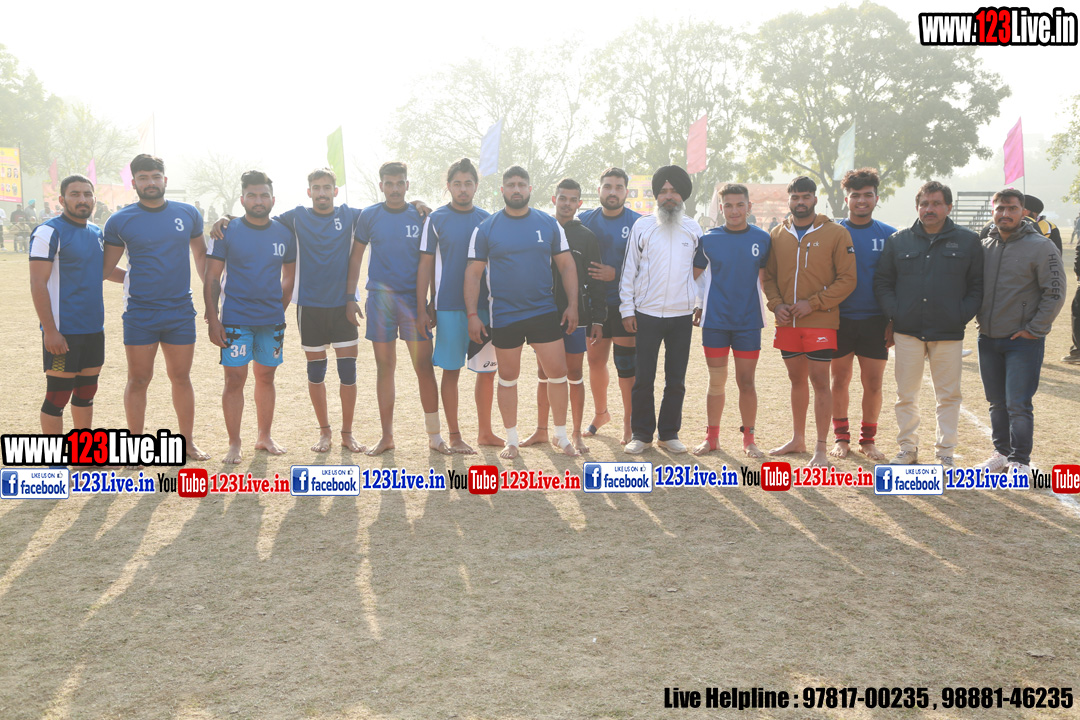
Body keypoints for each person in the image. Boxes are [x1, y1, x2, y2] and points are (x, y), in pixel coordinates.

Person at [214, 168, 368, 453]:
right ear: (309, 192)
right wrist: (227, 217)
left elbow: (383, 211)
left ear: (335, 191)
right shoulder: (295, 217)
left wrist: (418, 203)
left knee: (348, 372)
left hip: (342, 306)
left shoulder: (351, 215)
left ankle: (347, 433)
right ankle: (324, 433)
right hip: (309, 307)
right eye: (316, 188)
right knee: (316, 373)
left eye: (327, 188)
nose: (322, 193)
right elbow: (258, 216)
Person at [465, 165, 580, 459]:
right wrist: (472, 315)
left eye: (521, 184)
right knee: (507, 377)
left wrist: (573, 305)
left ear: (529, 189)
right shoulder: (486, 228)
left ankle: (561, 436)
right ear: (502, 190)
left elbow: (567, 265)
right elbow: (473, 274)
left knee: (558, 373)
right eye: (511, 184)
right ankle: (512, 440)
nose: (516, 189)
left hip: (543, 312)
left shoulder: (549, 224)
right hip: (505, 315)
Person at [102, 154, 211, 462]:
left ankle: (187, 443)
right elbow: (104, 269)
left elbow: (201, 257)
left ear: (165, 179)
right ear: (134, 182)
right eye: (143, 178)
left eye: (155, 176)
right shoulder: (120, 220)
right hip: (140, 313)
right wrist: (132, 279)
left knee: (181, 377)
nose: (150, 182)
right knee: (138, 380)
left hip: (180, 312)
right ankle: (135, 448)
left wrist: (211, 297)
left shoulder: (188, 213)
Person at [874, 180, 983, 466]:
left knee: (948, 396)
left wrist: (960, 314)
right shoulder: (898, 240)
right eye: (924, 204)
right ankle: (907, 448)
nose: (929, 209)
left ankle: (945, 453)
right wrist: (896, 313)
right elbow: (884, 281)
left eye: (936, 203)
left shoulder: (968, 241)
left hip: (948, 331)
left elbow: (977, 285)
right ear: (917, 207)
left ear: (949, 207)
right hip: (907, 331)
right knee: (905, 395)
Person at [347, 161, 449, 456]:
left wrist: (431, 301)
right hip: (380, 300)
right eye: (389, 183)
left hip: (413, 302)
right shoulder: (369, 216)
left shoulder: (421, 215)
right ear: (381, 185)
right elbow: (356, 258)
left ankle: (435, 436)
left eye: (399, 183)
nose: (394, 188)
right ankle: (387, 436)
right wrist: (349, 296)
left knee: (423, 366)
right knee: (384, 367)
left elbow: (431, 261)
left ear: (407, 184)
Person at [763, 176, 856, 467]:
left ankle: (821, 448)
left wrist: (813, 303)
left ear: (815, 199)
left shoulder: (836, 233)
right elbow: (768, 277)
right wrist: (776, 305)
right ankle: (797, 439)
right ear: (789, 200)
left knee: (820, 382)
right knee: (796, 380)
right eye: (795, 197)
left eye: (806, 197)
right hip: (787, 324)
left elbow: (848, 279)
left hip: (820, 322)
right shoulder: (777, 233)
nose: (800, 202)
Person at [204, 171, 296, 463]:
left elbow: (289, 277)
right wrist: (213, 319)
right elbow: (212, 277)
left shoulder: (284, 233)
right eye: (252, 195)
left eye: (264, 195)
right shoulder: (226, 231)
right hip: (235, 319)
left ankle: (264, 436)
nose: (259, 201)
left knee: (266, 377)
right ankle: (234, 443)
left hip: (271, 321)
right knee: (234, 380)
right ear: (242, 199)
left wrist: (279, 309)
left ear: (273, 199)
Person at [974, 188, 1065, 475]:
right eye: (1000, 208)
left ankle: (1020, 461)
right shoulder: (983, 245)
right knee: (996, 402)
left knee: (1018, 404)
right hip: (988, 337)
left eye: (1012, 208)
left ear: (1023, 211)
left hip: (1023, 340)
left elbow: (1055, 291)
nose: (1005, 213)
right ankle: (1001, 453)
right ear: (993, 210)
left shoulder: (1041, 246)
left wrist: (1035, 329)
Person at [417, 158, 502, 453]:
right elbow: (425, 265)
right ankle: (454, 436)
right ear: (448, 186)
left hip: (484, 308)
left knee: (487, 372)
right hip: (449, 308)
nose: (463, 189)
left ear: (476, 186)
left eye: (468, 183)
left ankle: (485, 432)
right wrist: (423, 306)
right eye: (457, 184)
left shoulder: (488, 219)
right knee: (451, 371)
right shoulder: (436, 219)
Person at [28, 175, 124, 433]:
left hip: (93, 328)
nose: (82, 199)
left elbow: (101, 270)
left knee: (86, 393)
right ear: (62, 200)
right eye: (75, 194)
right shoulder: (49, 232)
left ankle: (84, 451)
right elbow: (37, 283)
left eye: (87, 194)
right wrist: (50, 331)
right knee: (57, 397)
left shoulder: (96, 232)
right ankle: (53, 456)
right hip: (63, 331)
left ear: (94, 199)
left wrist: (135, 278)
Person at [620, 165, 702, 454]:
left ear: (683, 195)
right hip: (647, 313)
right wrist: (627, 310)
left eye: (674, 191)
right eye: (664, 191)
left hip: (682, 315)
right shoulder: (643, 227)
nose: (669, 196)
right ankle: (641, 435)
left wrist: (699, 304)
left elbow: (701, 271)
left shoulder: (694, 229)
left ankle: (669, 433)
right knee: (643, 378)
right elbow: (629, 270)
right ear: (656, 195)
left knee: (676, 379)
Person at [522, 178, 605, 454]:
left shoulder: (586, 237)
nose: (567, 204)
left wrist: (597, 318)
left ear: (579, 203)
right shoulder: (540, 229)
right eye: (562, 198)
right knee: (543, 373)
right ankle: (541, 431)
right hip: (544, 313)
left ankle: (576, 434)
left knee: (574, 373)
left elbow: (595, 280)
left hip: (576, 316)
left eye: (572, 199)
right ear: (553, 199)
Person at [690, 183, 770, 458]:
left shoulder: (763, 238)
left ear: (749, 207)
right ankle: (712, 438)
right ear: (721, 208)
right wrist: (699, 304)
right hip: (715, 322)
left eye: (739, 205)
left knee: (746, 382)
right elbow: (694, 277)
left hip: (749, 322)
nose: (734, 210)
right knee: (716, 381)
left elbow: (768, 280)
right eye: (728, 205)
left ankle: (749, 439)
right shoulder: (708, 239)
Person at [828, 169, 896, 462]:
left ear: (876, 198)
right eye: (855, 195)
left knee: (874, 384)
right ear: (847, 199)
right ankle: (841, 438)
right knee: (839, 380)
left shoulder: (890, 235)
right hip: (839, 319)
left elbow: (896, 280)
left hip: (875, 321)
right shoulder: (832, 232)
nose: (861, 200)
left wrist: (893, 320)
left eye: (868, 195)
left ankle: (868, 441)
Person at [578, 168, 643, 444]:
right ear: (599, 190)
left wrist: (615, 274)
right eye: (607, 186)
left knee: (626, 366)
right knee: (595, 362)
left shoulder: (639, 223)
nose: (612, 192)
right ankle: (601, 414)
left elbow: (649, 267)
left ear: (626, 192)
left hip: (625, 305)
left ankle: (629, 422)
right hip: (595, 306)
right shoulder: (584, 220)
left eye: (618, 187)